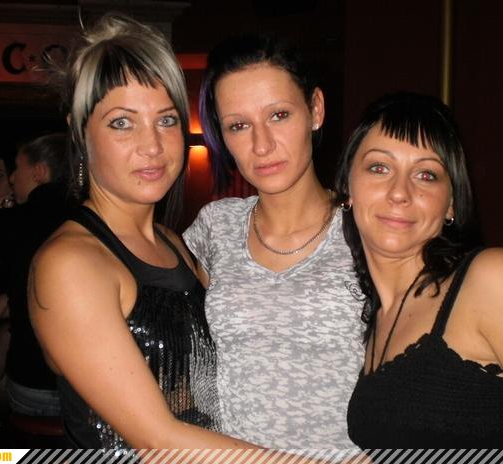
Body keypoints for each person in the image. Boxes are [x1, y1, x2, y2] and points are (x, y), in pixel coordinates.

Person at [28, 13, 258, 451]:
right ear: (80, 132)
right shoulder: (70, 263)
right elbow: (159, 441)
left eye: (166, 120)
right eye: (122, 122)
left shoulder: (175, 243)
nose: (152, 145)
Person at [338, 92, 503, 447]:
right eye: (379, 168)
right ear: (348, 186)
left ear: (451, 203)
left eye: (426, 175)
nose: (400, 192)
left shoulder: (493, 280)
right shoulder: (377, 322)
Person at [183, 34, 365, 449]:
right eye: (239, 125)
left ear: (315, 109)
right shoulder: (215, 226)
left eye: (279, 115)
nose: (261, 145)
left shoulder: (367, 228)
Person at [0, 133, 69, 420]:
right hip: (88, 385)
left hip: (39, 386)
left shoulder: (12, 221)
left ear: (39, 172)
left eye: (15, 170)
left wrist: (9, 304)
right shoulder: (89, 216)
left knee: (7, 337)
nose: (12, 178)